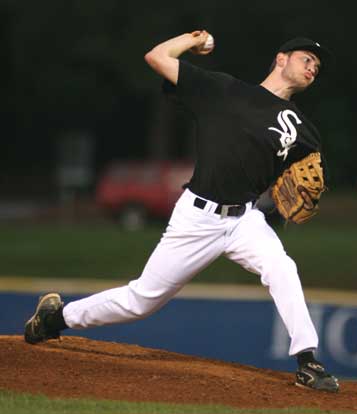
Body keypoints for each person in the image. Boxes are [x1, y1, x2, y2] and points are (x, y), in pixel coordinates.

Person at [24, 31, 339, 392]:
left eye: (317, 65)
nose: (313, 67)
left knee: (282, 267)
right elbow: (157, 57)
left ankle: (307, 361)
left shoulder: (304, 130)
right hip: (199, 216)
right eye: (307, 58)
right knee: (142, 301)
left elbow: (302, 182)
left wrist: (282, 207)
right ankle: (56, 318)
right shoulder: (224, 91)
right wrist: (192, 41)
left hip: (245, 220)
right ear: (281, 59)